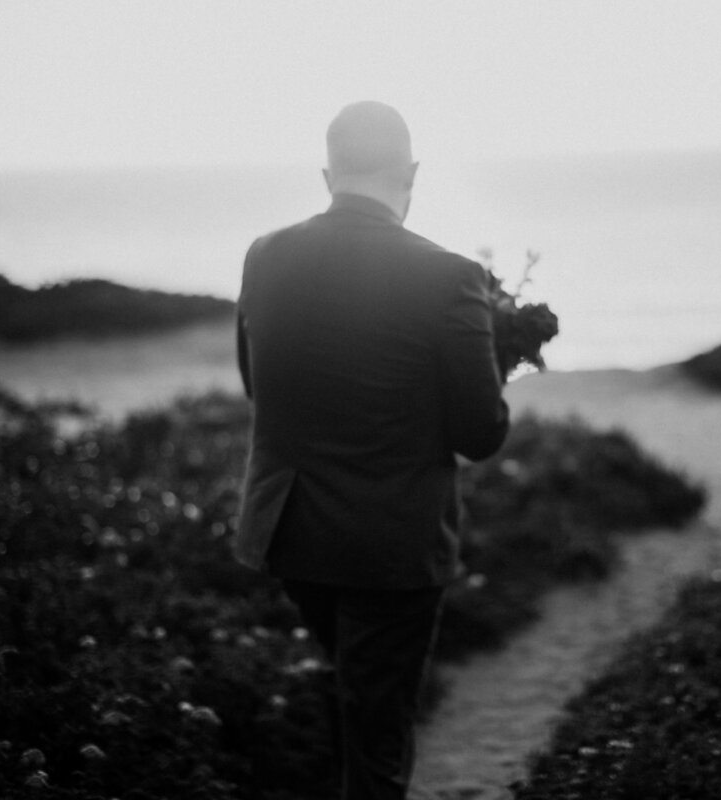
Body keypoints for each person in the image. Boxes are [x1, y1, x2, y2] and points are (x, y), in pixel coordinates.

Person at [232, 101, 510, 799]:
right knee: (377, 733)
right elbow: (480, 434)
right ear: (412, 172)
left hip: (293, 535)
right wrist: (498, 360)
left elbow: (255, 385)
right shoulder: (448, 276)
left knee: (362, 700)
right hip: (391, 548)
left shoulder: (264, 255)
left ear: (328, 174)